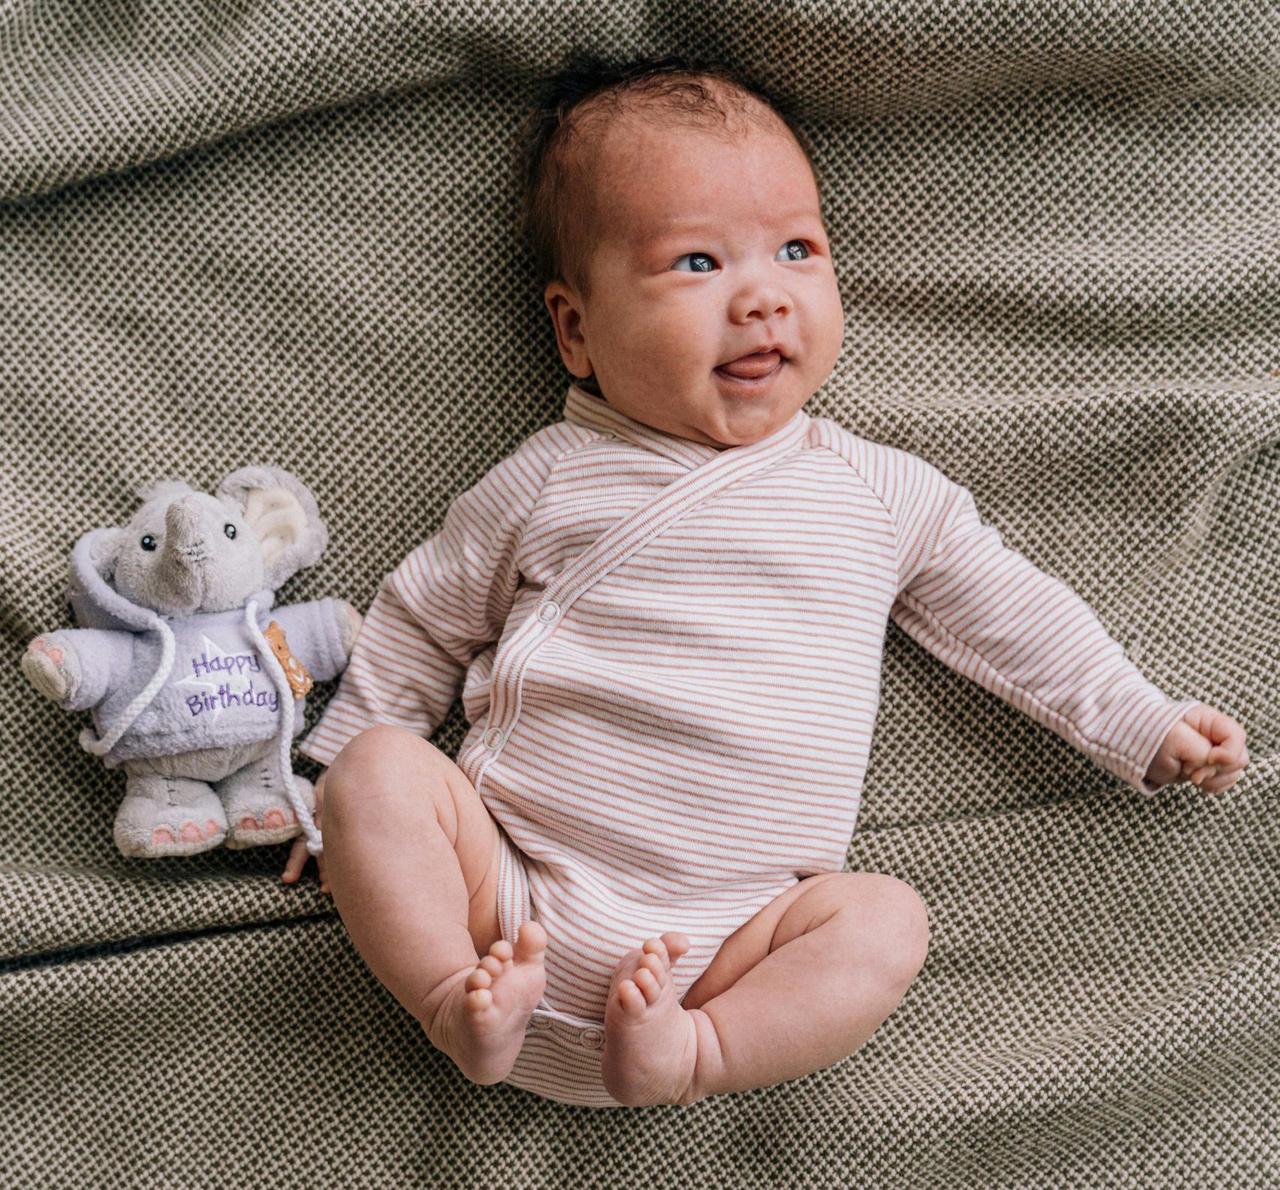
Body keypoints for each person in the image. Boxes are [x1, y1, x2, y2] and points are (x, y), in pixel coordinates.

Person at [280, 53, 1249, 1109]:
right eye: (695, 262)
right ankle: (448, 1003)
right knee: (376, 770)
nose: (762, 298)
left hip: (728, 942)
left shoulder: (875, 488)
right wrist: (330, 767)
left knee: (882, 922)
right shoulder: (548, 480)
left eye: (796, 250)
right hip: (504, 898)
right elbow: (421, 619)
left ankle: (696, 1053)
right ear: (575, 329)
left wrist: (1135, 717)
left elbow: (1007, 608)